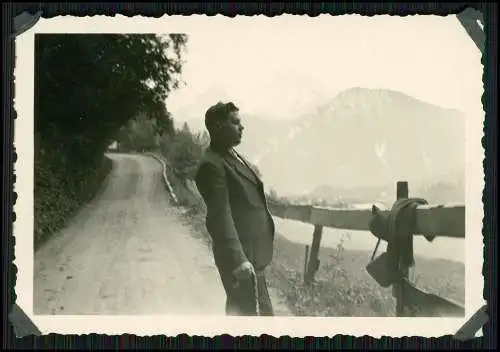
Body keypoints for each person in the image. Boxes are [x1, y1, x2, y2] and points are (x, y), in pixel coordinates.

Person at [195, 101, 275, 316]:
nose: (242, 127)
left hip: (253, 257)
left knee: (252, 315)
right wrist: (239, 260)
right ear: (218, 127)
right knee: (250, 317)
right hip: (241, 261)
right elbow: (220, 217)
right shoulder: (212, 165)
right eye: (235, 122)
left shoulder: (233, 156)